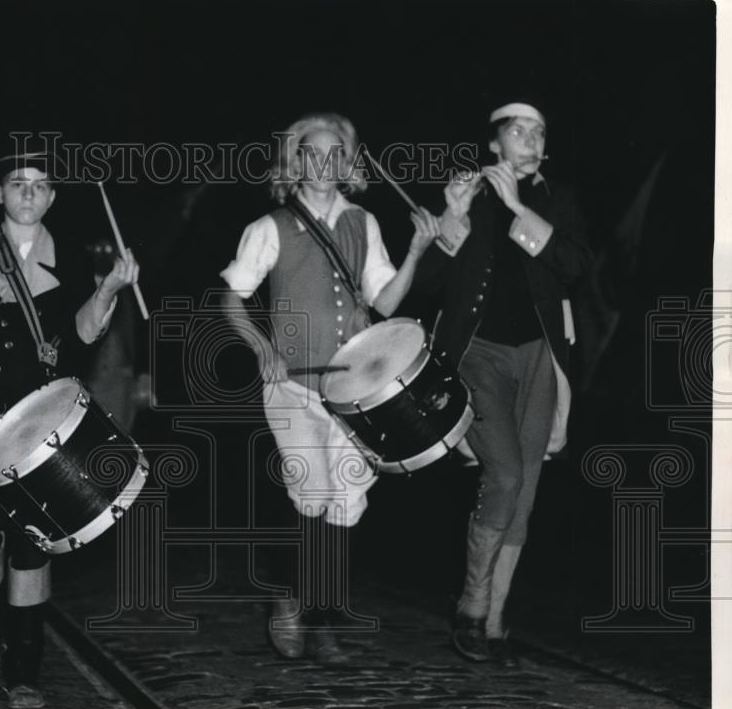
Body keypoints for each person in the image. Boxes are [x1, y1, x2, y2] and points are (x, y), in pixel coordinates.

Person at [0, 149, 140, 708]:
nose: (30, 194)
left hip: (41, 428)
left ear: (53, 197)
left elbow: (82, 338)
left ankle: (27, 670)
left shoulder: (70, 262)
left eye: (41, 186)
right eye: (18, 184)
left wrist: (109, 288)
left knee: (35, 545)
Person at [221, 112, 437, 660]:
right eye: (311, 154)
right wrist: (261, 346)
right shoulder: (270, 227)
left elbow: (386, 302)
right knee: (313, 492)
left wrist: (415, 251)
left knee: (348, 502)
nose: (324, 164)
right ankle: (294, 602)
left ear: (348, 163)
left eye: (335, 154)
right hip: (292, 388)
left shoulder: (363, 222)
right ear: (296, 162)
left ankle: (319, 619)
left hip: (354, 391)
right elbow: (231, 297)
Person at [413, 99, 592, 666]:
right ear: (494, 143)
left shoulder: (557, 199)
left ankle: (494, 619)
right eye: (519, 131)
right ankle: (471, 604)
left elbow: (576, 265)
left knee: (528, 488)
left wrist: (517, 204)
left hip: (540, 355)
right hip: (478, 355)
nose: (531, 140)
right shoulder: (467, 193)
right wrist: (452, 218)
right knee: (506, 472)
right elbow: (429, 284)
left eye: (539, 132)